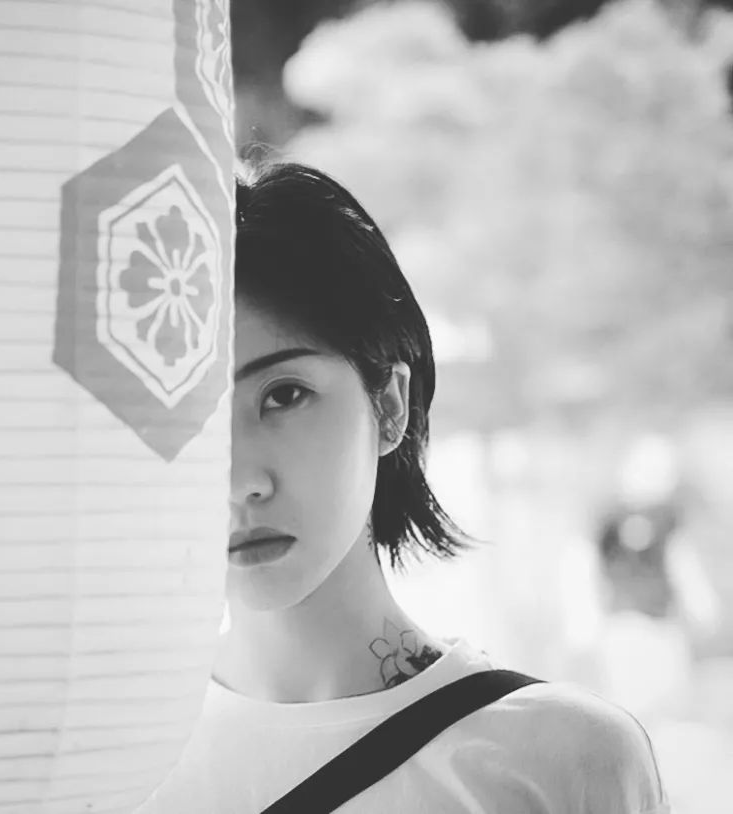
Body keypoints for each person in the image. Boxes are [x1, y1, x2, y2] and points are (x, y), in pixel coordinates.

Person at [135, 162, 669, 813]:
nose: (240, 481)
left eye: (284, 395)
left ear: (389, 404)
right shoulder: (110, 763)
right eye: (193, 418)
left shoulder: (561, 759)